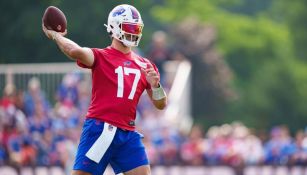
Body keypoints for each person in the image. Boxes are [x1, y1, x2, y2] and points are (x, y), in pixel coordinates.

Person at [42, 4, 167, 175]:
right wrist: (57, 36)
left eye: (136, 28)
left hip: (127, 133)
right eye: (129, 27)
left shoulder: (145, 64)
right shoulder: (102, 56)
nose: (134, 32)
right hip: (101, 129)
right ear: (115, 27)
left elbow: (161, 104)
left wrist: (156, 85)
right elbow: (75, 51)